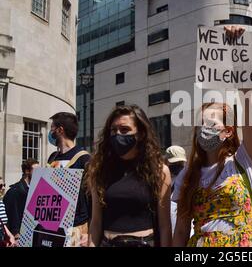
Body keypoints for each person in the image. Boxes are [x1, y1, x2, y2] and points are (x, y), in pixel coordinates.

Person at [173, 99, 252, 247]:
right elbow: (181, 230)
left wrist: (246, 88)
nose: (204, 128)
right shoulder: (187, 175)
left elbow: (251, 120)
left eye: (211, 123)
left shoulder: (242, 163)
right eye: (200, 124)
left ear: (228, 131)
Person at [87, 105, 171, 247]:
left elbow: (165, 225)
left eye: (124, 129)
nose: (118, 134)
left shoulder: (159, 171)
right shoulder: (99, 170)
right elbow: (95, 222)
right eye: (113, 130)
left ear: (141, 134)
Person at [46, 112, 91, 247]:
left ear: (60, 130)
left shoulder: (85, 159)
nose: (50, 132)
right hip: (53, 224)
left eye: (52, 128)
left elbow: (93, 199)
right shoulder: (52, 158)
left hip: (76, 228)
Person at [3, 159, 38, 238]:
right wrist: (15, 233)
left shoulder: (34, 190)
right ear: (27, 171)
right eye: (36, 170)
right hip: (18, 236)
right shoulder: (14, 191)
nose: (39, 173)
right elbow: (12, 214)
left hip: (31, 234)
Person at [165, 145, 188, 236]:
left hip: (186, 231)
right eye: (173, 163)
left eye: (179, 163)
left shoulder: (189, 178)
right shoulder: (163, 179)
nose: (177, 166)